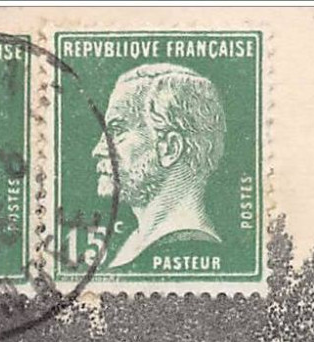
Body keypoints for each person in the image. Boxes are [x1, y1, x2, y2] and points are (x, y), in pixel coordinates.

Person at [93, 63, 226, 268]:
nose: (98, 150)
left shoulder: (189, 248)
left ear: (170, 148)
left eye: (117, 131)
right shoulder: (135, 246)